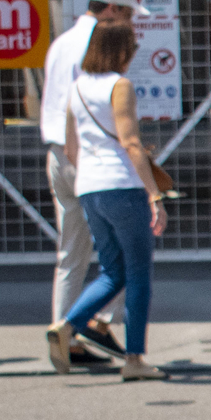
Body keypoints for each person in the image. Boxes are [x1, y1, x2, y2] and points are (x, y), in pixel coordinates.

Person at [47, 22, 167, 380]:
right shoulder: (120, 85)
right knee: (138, 273)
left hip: (90, 187)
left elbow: (71, 147)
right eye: (130, 48)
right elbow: (131, 142)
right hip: (122, 186)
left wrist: (92, 175)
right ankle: (134, 360)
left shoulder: (77, 88)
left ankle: (67, 326)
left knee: (113, 271)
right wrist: (155, 195)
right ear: (121, 51)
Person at [39, 0, 137, 367]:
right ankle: (96, 321)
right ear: (112, 10)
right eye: (128, 13)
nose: (131, 24)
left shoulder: (60, 43)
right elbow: (99, 108)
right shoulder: (96, 48)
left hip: (58, 155)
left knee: (71, 252)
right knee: (126, 249)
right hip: (89, 159)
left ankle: (66, 334)